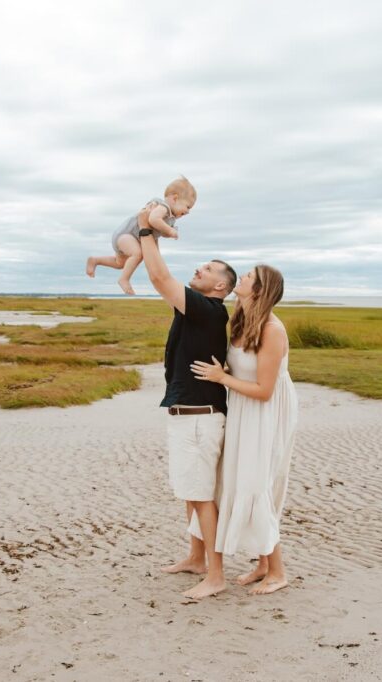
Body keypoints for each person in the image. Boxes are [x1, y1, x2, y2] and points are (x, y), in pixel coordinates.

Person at [136, 212, 237, 599]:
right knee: (190, 492)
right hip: (187, 416)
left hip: (200, 419)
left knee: (201, 495)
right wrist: (153, 238)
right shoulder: (197, 310)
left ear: (220, 285)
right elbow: (162, 276)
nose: (200, 269)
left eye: (208, 268)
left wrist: (147, 229)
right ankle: (196, 557)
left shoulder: (209, 310)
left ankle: (216, 574)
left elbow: (161, 279)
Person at [190, 265, 298, 595]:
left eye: (250, 276)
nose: (244, 278)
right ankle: (263, 565)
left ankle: (278, 572)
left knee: (254, 483)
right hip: (242, 408)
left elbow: (265, 389)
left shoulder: (271, 329)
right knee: (237, 479)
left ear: (260, 290)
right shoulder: (240, 320)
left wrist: (222, 378)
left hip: (265, 412)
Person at [85, 176, 196, 295]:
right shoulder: (163, 207)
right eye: (188, 206)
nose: (188, 211)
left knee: (120, 263)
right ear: (175, 198)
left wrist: (168, 232)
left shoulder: (170, 217)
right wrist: (170, 231)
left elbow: (161, 231)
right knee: (137, 254)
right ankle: (124, 279)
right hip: (127, 234)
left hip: (130, 239)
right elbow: (154, 219)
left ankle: (95, 260)